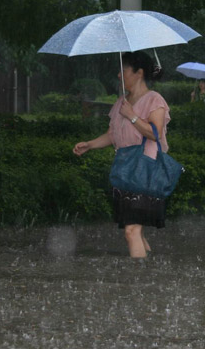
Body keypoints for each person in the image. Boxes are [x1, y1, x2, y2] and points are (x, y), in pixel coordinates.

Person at [73, 51, 170, 258]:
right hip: (125, 171)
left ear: (139, 73)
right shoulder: (120, 103)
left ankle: (138, 282)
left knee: (131, 230)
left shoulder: (154, 100)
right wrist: (90, 145)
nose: (119, 75)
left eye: (123, 70)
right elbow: (112, 134)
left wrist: (132, 116)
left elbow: (155, 133)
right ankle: (151, 271)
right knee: (137, 231)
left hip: (146, 171)